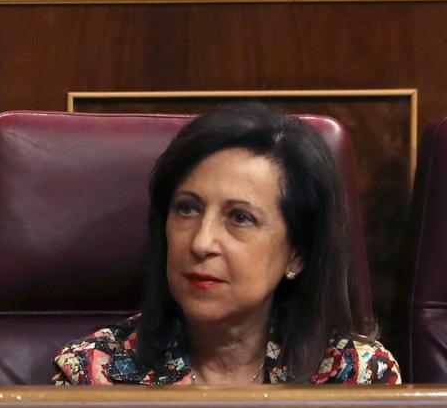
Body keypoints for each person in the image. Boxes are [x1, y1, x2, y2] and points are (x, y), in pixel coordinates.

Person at [52, 104, 400, 386]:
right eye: (187, 209)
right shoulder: (92, 373)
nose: (201, 243)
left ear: (297, 253)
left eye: (240, 218)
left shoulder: (355, 376)